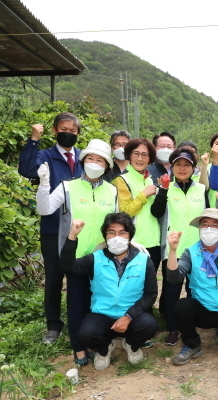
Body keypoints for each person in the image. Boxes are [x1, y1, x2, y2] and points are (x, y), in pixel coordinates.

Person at [36, 139, 118, 366]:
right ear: (83, 162)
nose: (94, 163)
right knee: (76, 303)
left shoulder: (112, 191)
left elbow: (116, 224)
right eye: (90, 158)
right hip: (74, 258)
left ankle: (94, 342)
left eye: (100, 159)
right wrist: (44, 184)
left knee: (97, 304)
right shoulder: (67, 187)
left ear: (106, 165)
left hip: (102, 258)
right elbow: (44, 209)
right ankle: (79, 347)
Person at [59, 214, 158, 371]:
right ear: (105, 235)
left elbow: (151, 294)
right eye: (111, 232)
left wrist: (128, 317)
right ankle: (104, 350)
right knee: (86, 333)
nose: (116, 237)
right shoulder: (95, 258)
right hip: (102, 313)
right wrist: (72, 236)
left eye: (122, 233)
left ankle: (131, 345)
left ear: (130, 236)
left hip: (131, 313)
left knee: (149, 326)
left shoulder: (143, 260)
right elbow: (67, 267)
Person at [18, 112, 83, 343]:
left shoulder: (85, 159)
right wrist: (34, 139)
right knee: (54, 278)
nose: (68, 133)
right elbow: (26, 170)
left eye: (73, 130)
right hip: (53, 228)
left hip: (80, 228)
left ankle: (83, 319)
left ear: (78, 133)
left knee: (81, 275)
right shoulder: (45, 156)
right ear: (55, 131)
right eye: (63, 129)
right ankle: (53, 326)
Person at [166, 208, 218, 364]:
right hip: (202, 308)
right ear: (199, 229)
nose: (209, 229)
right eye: (205, 225)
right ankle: (192, 344)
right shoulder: (190, 252)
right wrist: (172, 251)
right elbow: (173, 279)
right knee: (182, 306)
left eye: (215, 225)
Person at [153, 147, 208, 346]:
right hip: (174, 249)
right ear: (172, 167)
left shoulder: (201, 190)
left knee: (195, 288)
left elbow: (208, 217)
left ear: (193, 168)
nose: (182, 168)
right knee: (171, 289)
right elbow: (157, 212)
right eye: (178, 164)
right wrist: (163, 191)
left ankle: (193, 323)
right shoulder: (167, 189)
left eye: (187, 165)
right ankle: (173, 327)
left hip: (198, 250)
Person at [112, 138, 162, 271]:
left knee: (149, 284)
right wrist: (143, 195)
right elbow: (124, 212)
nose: (140, 158)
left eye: (144, 155)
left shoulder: (149, 180)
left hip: (154, 240)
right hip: (134, 242)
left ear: (150, 158)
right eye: (136, 153)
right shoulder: (122, 180)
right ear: (129, 155)